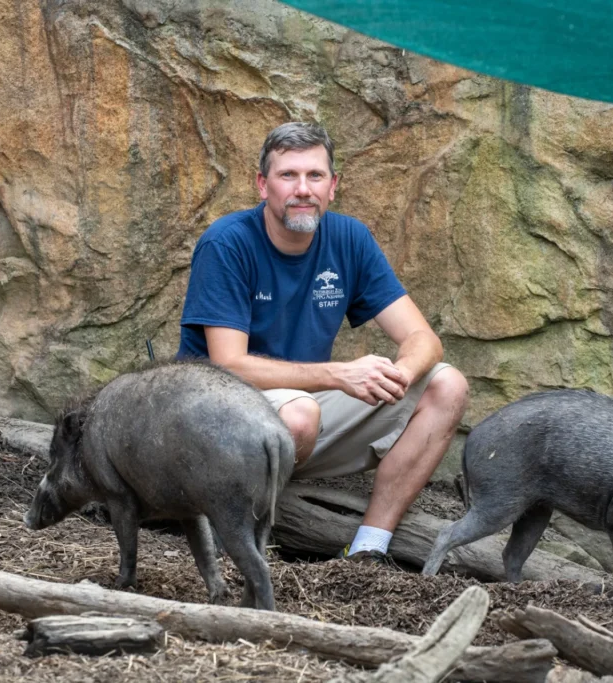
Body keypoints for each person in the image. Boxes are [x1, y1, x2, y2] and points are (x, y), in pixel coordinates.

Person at [177, 121, 469, 563]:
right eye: (287, 176)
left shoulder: (349, 239)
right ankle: (235, 543)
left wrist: (399, 376)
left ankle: (369, 548)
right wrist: (338, 374)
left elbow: (421, 337)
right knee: (299, 414)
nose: (302, 189)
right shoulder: (227, 243)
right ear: (262, 185)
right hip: (217, 426)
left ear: (333, 186)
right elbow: (228, 366)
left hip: (300, 419)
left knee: (445, 385)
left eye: (315, 176)